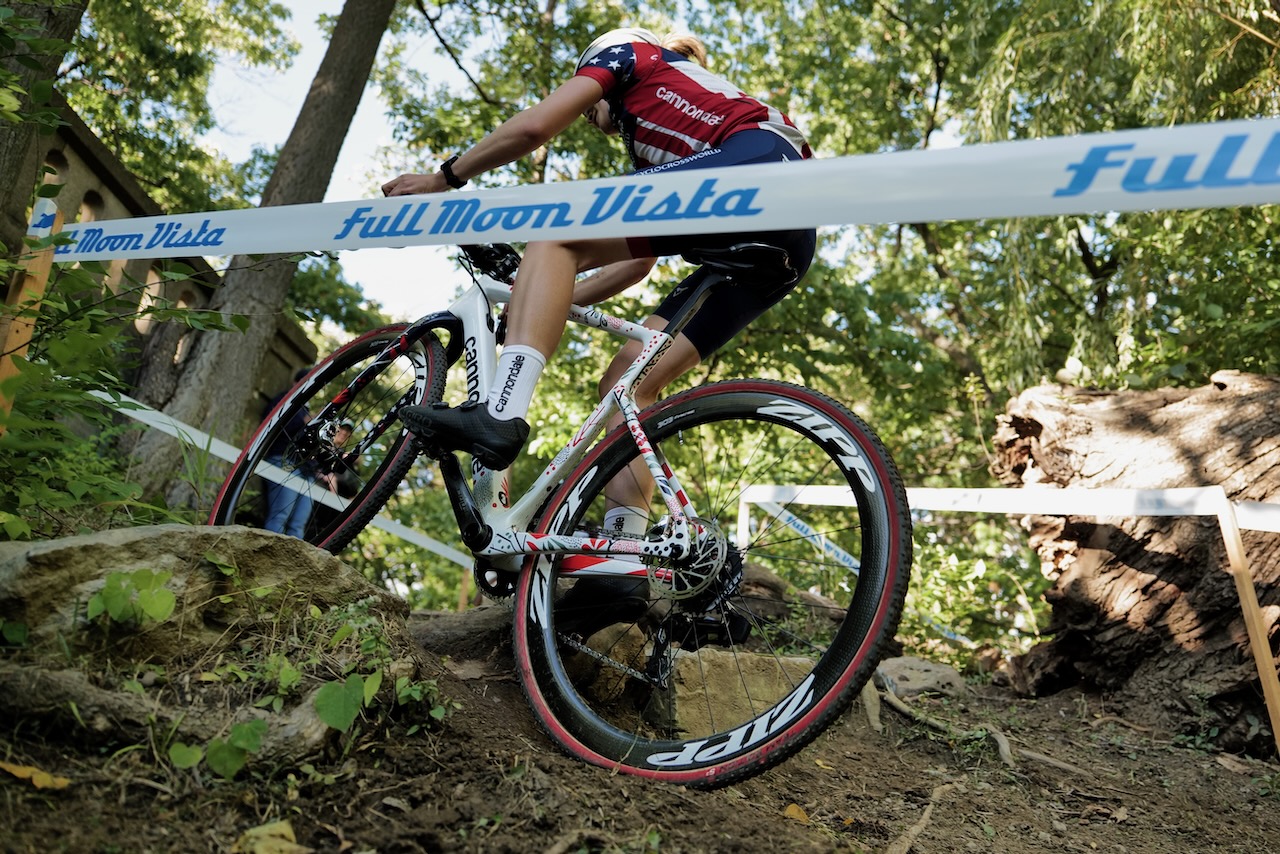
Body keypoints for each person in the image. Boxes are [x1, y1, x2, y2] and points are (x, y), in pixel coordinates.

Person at [383, 27, 816, 544]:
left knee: (556, 235)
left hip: (755, 163)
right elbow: (637, 265)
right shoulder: (664, 148)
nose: (590, 114)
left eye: (585, 86)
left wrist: (446, 177)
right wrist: (537, 296)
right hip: (785, 243)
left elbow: (534, 128)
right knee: (625, 384)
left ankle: (499, 417)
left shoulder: (631, 55)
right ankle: (624, 554)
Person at [262, 367, 316, 538]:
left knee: (298, 523)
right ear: (296, 383)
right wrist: (304, 422)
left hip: (304, 469)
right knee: (280, 514)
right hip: (281, 459)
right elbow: (271, 428)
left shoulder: (305, 410)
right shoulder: (282, 401)